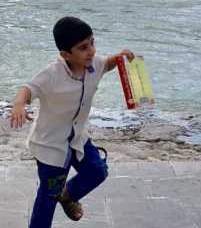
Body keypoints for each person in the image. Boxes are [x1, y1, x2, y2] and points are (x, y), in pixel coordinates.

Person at [10, 17, 135, 228]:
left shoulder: (93, 64)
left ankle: (67, 196)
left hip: (77, 138)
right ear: (65, 54)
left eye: (92, 43)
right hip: (51, 146)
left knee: (97, 171)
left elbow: (106, 64)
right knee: (48, 198)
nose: (92, 51)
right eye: (83, 47)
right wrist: (19, 105)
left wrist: (120, 57)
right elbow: (28, 88)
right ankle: (56, 200)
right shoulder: (52, 74)